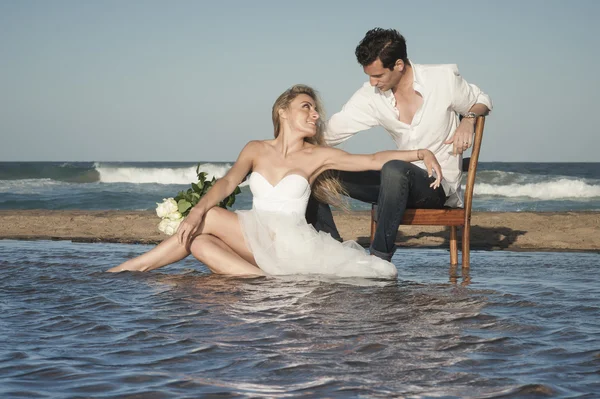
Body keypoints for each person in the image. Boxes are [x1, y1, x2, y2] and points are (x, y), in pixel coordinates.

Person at [107, 84, 443, 279]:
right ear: (282, 111)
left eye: (316, 111)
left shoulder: (316, 156)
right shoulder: (255, 149)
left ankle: (128, 269)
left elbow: (370, 160)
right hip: (254, 237)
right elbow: (226, 184)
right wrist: (193, 213)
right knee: (197, 240)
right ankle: (261, 282)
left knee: (205, 220)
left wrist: (420, 153)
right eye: (306, 107)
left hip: (289, 244)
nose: (315, 114)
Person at [307, 28, 493, 261]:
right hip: (392, 185)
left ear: (398, 65)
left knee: (394, 167)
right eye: (369, 76)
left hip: (436, 187)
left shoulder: (442, 79)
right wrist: (284, 149)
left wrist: (468, 120)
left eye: (378, 76)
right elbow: (330, 133)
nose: (372, 82)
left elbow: (481, 100)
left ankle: (379, 259)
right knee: (316, 173)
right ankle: (332, 252)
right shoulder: (371, 95)